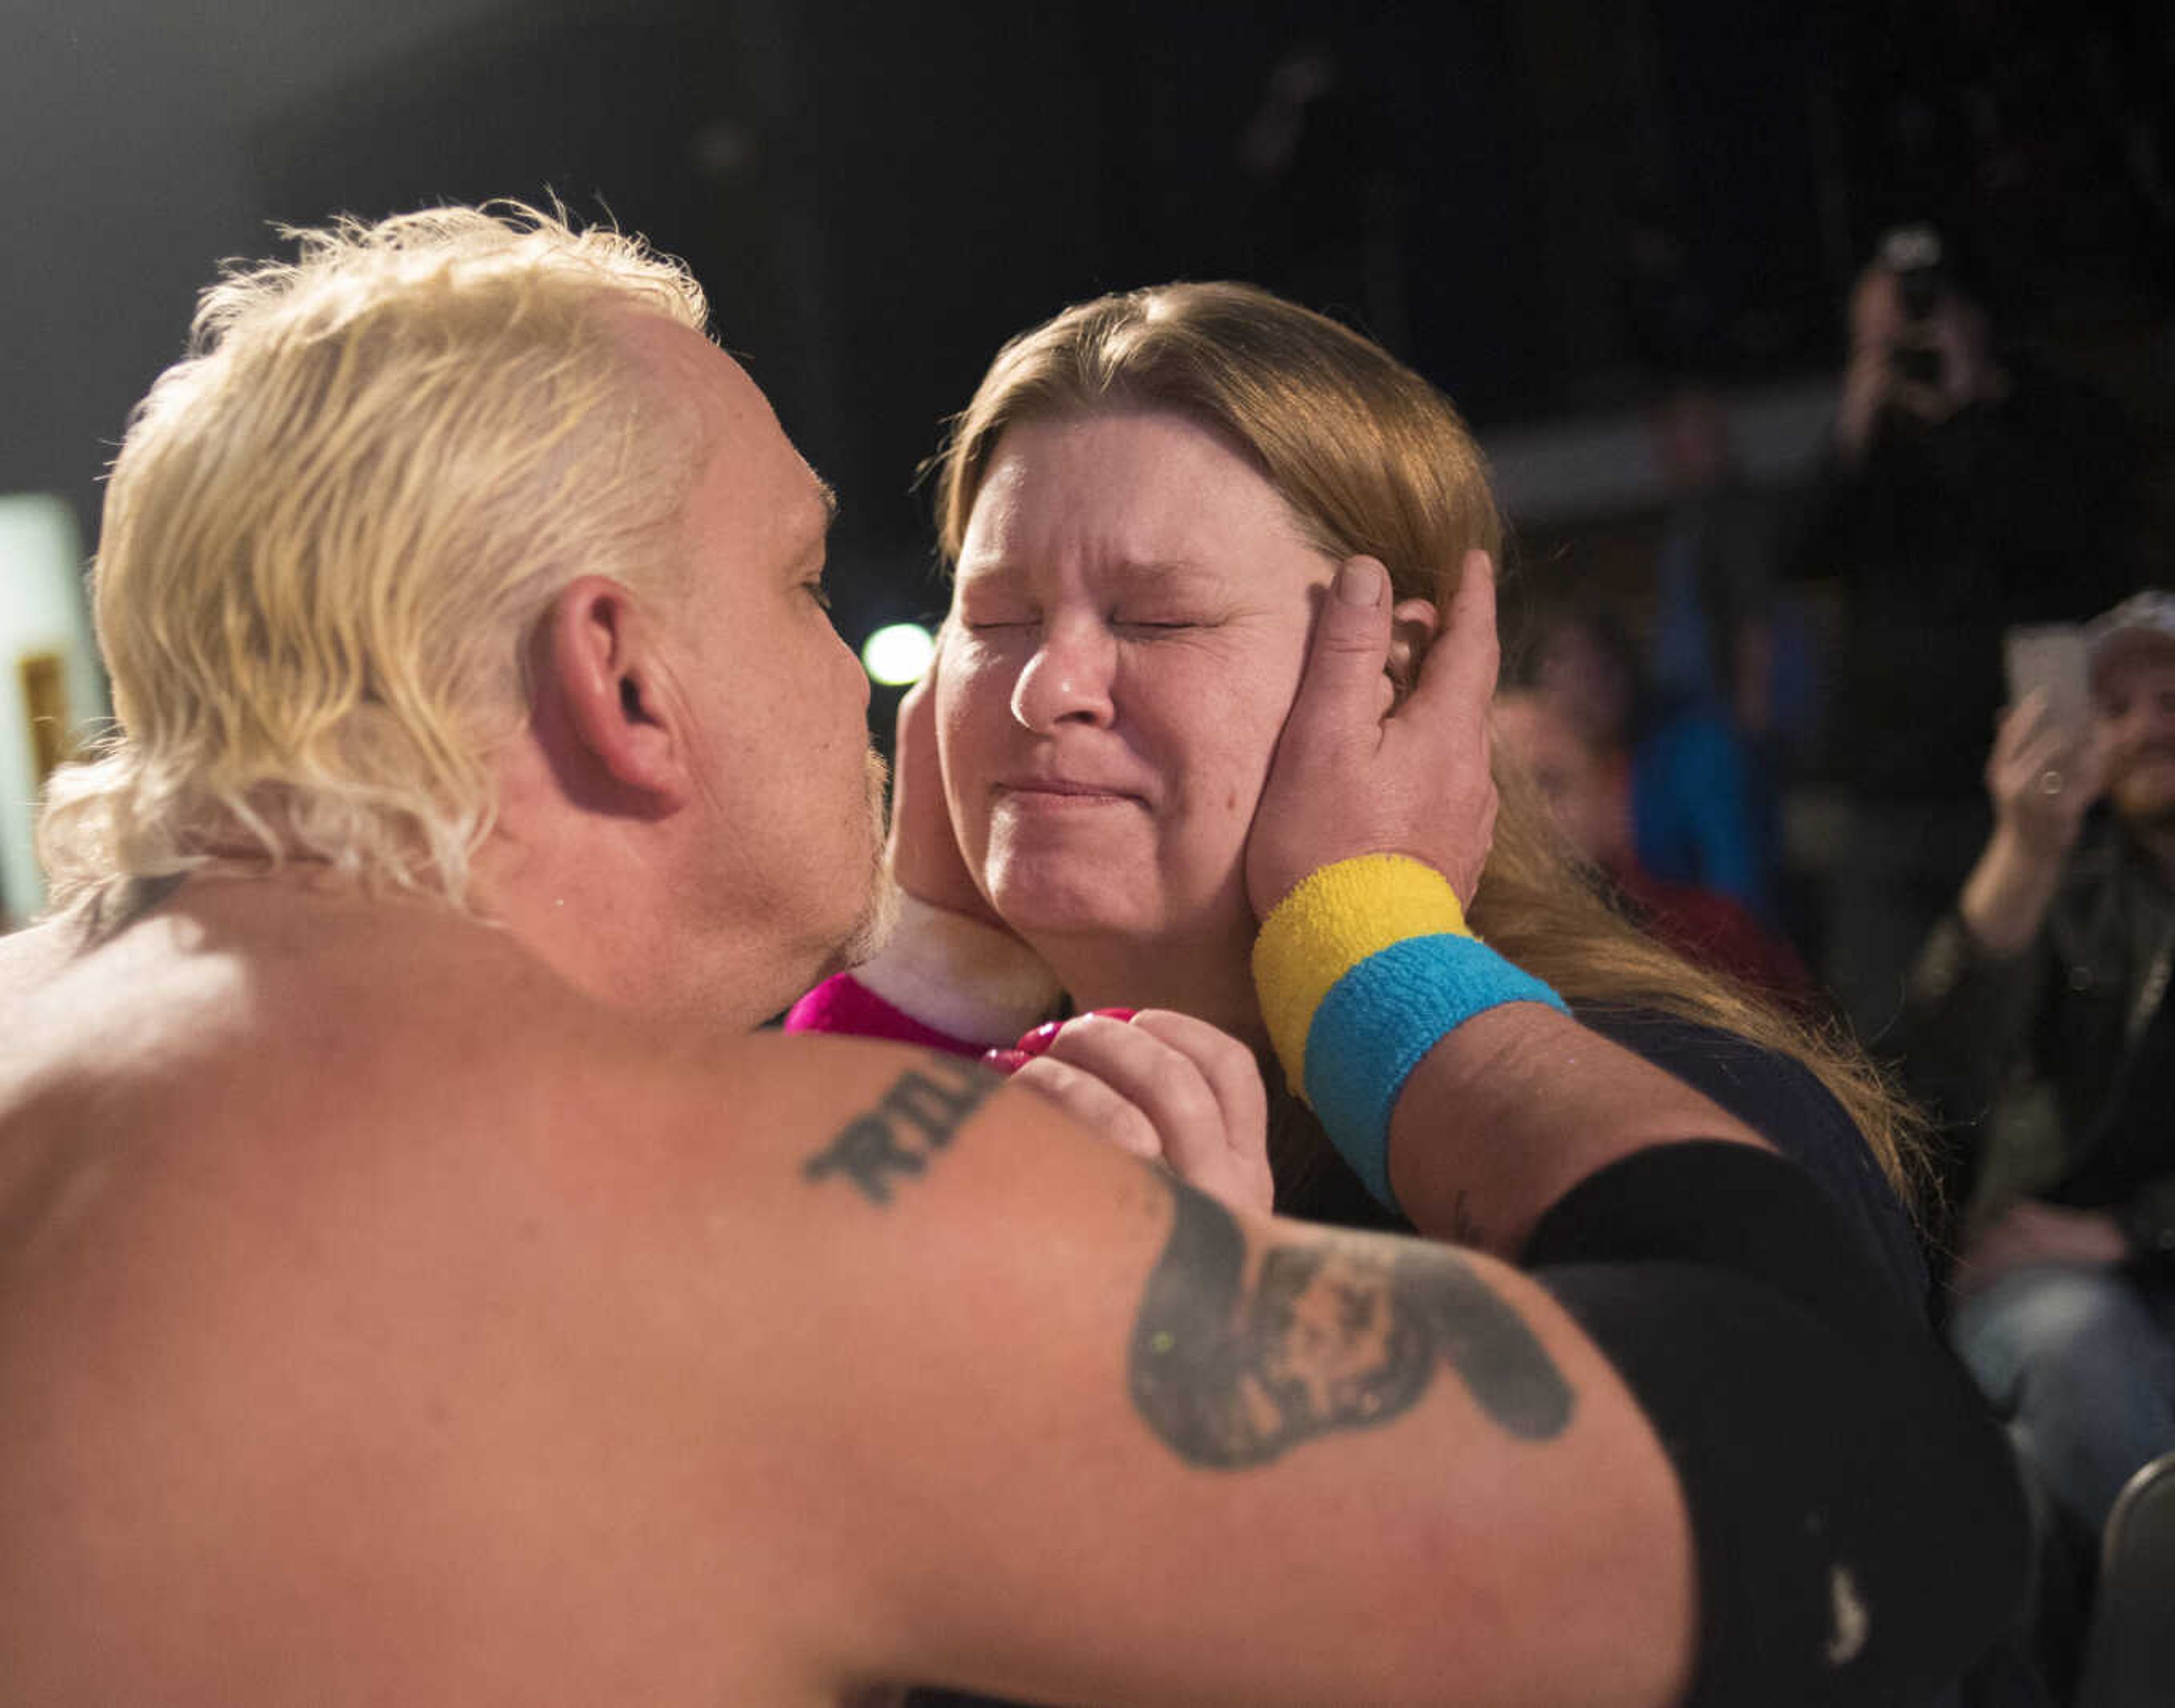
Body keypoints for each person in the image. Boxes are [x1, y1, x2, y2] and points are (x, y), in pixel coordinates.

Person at [0, 207, 2021, 1707]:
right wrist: (1367, 957)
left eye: (1159, 615)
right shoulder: (760, 1192)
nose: (969, 685)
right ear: (622, 680)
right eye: (832, 590)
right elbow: (1851, 1503)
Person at [796, 281, 1920, 1298]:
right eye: (996, 619)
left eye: (1158, 616)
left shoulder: (1684, 1097)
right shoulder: (981, 1086)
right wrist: (920, 973)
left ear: (1386, 674)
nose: (1047, 686)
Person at [1789, 229, 2140, 1038]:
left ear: (1973, 318)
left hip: (2025, 788)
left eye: (1915, 325)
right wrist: (1856, 423)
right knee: (1897, 1041)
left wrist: (1962, 412)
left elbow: (2069, 539)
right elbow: (1796, 552)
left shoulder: (2045, 419)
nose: (1901, 349)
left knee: (2046, 1029)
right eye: (1879, 337)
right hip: (1887, 803)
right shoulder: (1871, 446)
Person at [1896, 591, 2175, 1544]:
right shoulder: (2065, 895)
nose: (2144, 726)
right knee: (2072, 1345)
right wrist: (2026, 845)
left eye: (2170, 697)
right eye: (2115, 706)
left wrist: (2127, 1233)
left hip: (2109, 1255)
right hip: (2051, 1290)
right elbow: (1928, 1070)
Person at [1491, 686, 1811, 1003]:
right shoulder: (1458, 968)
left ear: (1613, 789)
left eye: (1548, 784)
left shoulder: (1714, 939)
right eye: (1495, 789)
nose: (1522, 816)